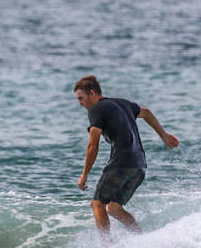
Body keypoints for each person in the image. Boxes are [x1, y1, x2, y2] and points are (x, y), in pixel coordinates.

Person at [73, 75, 179, 238]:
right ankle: (142, 240)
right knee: (113, 208)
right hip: (139, 165)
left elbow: (92, 145)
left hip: (121, 163)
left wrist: (84, 175)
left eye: (81, 98)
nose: (80, 103)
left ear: (92, 93)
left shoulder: (97, 109)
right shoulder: (123, 103)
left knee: (97, 204)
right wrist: (163, 135)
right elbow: (147, 113)